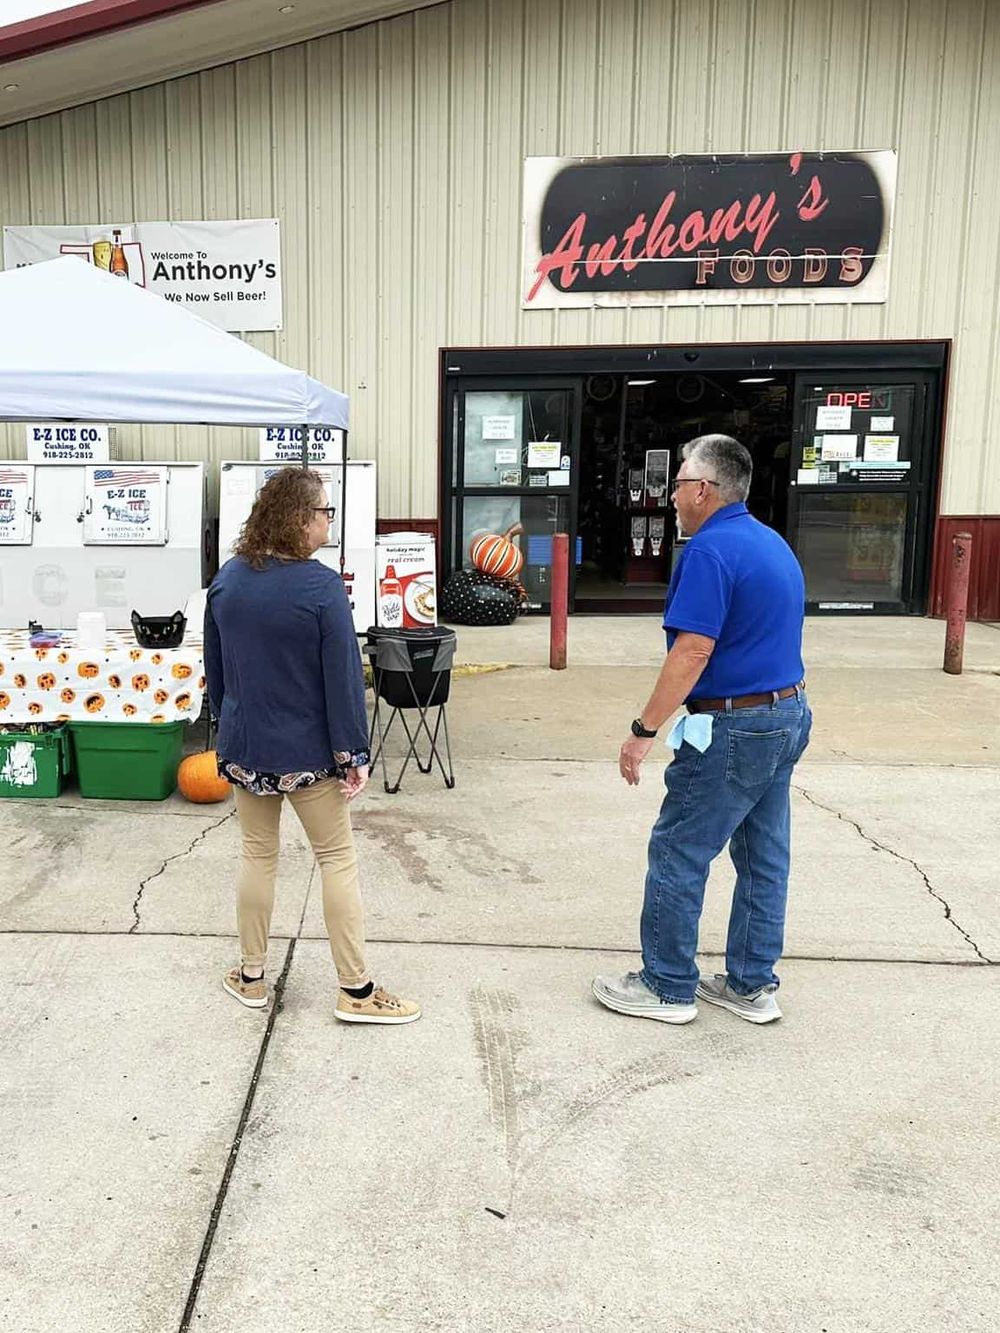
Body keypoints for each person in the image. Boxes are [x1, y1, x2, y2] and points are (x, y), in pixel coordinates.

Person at [593, 434, 810, 1026]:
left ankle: (666, 985)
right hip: (787, 713)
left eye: (679, 484)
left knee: (678, 849)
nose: (672, 496)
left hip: (737, 723)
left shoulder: (709, 551)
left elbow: (692, 651)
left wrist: (644, 729)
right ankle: (750, 983)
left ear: (704, 490)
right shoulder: (770, 543)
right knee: (764, 854)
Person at [204, 467, 420, 1025]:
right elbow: (343, 681)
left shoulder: (228, 579)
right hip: (308, 753)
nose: (329, 520)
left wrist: (227, 727)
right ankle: (356, 989)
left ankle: (251, 976)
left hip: (246, 745)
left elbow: (218, 671)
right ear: (299, 519)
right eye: (325, 511)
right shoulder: (321, 586)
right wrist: (354, 753)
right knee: (336, 859)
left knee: (257, 854)